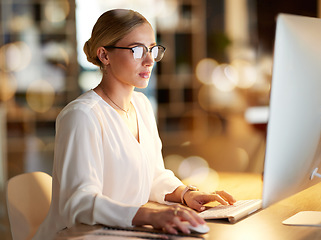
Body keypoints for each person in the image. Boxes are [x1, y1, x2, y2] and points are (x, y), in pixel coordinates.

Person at [34, 9, 236, 239]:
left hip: (126, 233)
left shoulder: (141, 105)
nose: (149, 60)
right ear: (104, 55)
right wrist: (148, 215)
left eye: (152, 49)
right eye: (137, 49)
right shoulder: (82, 116)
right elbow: (79, 203)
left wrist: (185, 193)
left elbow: (153, 175)